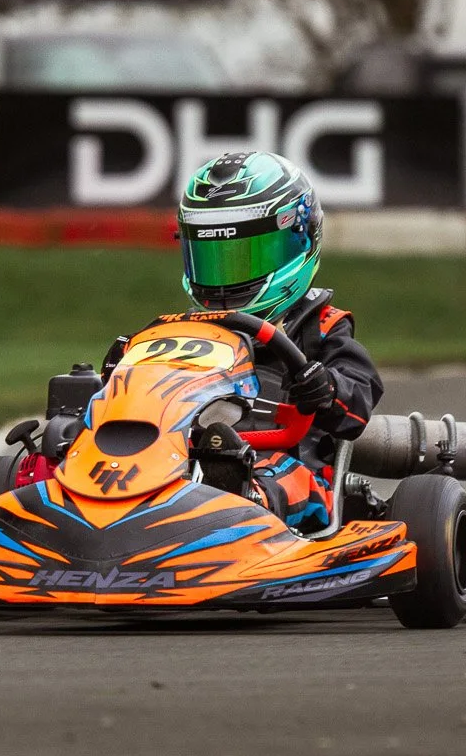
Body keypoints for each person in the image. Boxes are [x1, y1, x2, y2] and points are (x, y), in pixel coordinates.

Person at [109, 152, 381, 535]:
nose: (224, 280)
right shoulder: (183, 330)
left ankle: (244, 498)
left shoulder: (321, 328)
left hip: (284, 462)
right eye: (213, 259)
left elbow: (359, 399)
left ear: (298, 239)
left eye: (243, 258)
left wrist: (326, 388)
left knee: (280, 479)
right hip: (177, 457)